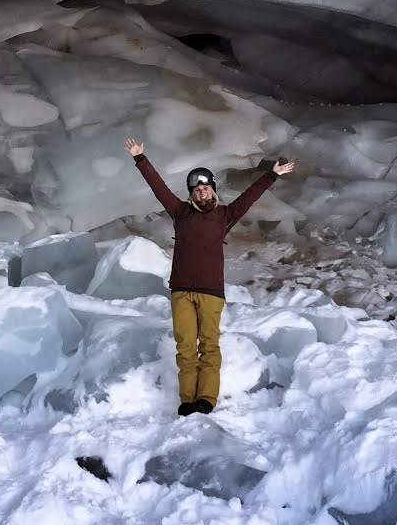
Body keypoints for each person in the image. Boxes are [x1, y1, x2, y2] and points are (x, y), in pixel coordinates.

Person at [124, 138, 296, 416]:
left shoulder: (225, 216)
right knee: (185, 348)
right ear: (191, 193)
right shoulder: (180, 213)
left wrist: (272, 174)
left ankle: (205, 399)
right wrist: (140, 158)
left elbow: (249, 197)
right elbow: (159, 189)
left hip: (210, 293)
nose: (202, 192)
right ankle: (186, 401)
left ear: (212, 190)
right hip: (181, 291)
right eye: (197, 189)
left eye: (206, 188)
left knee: (209, 347)